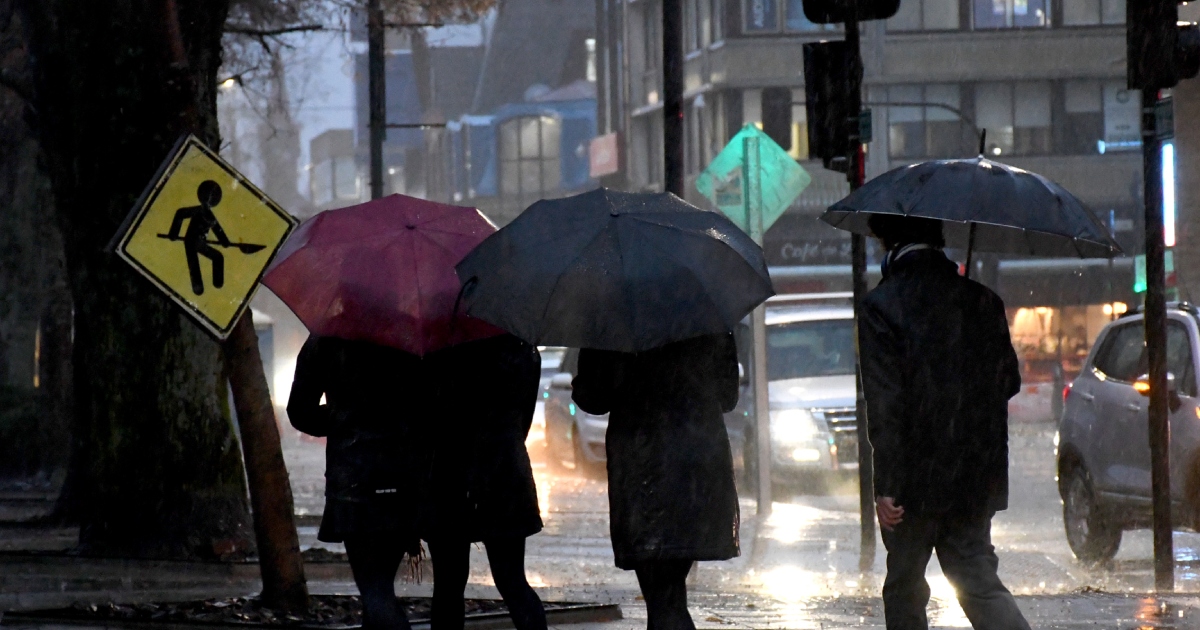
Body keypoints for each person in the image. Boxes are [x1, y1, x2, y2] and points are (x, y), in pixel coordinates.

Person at [858, 214, 1029, 630]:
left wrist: (887, 486)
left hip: (913, 482)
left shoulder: (882, 305)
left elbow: (886, 402)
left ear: (889, 245)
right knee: (978, 583)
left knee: (905, 588)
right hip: (973, 473)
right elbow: (1008, 382)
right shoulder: (983, 301)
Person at [572, 333, 740, 630]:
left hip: (642, 469)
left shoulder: (615, 319)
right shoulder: (704, 314)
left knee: (662, 598)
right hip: (697, 467)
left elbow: (593, 397)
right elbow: (728, 396)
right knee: (670, 593)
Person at [288, 336, 430, 630]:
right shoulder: (409, 336)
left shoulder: (326, 340)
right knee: (379, 587)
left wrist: (342, 418)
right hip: (403, 477)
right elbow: (430, 406)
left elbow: (299, 410)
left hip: (354, 481)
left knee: (374, 590)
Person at [422, 334, 547, 630]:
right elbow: (523, 419)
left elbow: (425, 417)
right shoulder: (521, 347)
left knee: (448, 584)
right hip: (505, 470)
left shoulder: (440, 345)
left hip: (449, 472)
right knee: (512, 579)